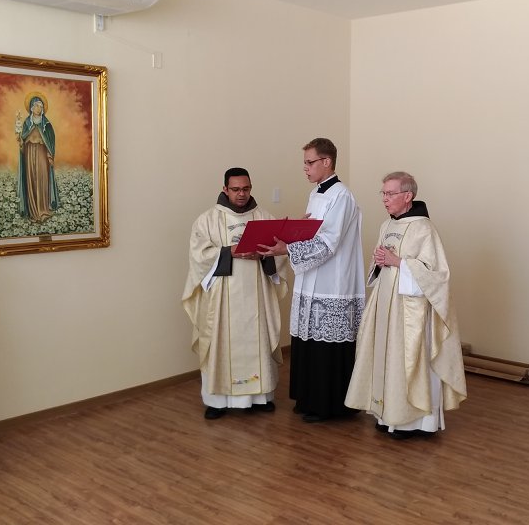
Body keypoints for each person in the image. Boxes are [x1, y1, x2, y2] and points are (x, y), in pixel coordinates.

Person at [345, 172, 467, 440]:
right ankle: (386, 415)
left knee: (409, 360)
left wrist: (398, 262)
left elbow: (437, 275)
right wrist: (380, 262)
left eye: (390, 193)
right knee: (386, 357)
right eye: (383, 193)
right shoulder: (387, 225)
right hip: (386, 305)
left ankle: (414, 422)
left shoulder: (424, 228)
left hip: (412, 311)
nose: (384, 199)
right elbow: (382, 265)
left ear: (408, 196)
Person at [257, 138, 364, 423]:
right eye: (304, 163)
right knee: (308, 341)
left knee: (327, 348)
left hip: (333, 283)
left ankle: (329, 406)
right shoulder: (316, 192)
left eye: (309, 162)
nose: (305, 168)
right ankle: (308, 399)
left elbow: (329, 242)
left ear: (326, 162)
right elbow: (314, 233)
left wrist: (287, 248)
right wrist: (292, 232)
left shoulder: (342, 196)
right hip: (311, 279)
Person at [182, 168, 287, 419]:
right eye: (236, 189)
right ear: (225, 189)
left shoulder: (264, 217)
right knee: (220, 342)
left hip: (256, 295)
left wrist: (264, 255)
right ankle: (217, 401)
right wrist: (230, 251)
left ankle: (260, 397)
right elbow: (199, 257)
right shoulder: (208, 220)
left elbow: (279, 253)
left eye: (246, 189)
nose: (241, 194)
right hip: (221, 299)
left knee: (258, 340)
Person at [15, 92, 59, 221]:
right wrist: (20, 139)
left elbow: (51, 140)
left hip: (42, 155)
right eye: (36, 106)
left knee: (42, 179)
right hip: (29, 155)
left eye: (40, 106)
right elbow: (22, 141)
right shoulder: (26, 123)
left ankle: (43, 209)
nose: (38, 108)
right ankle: (32, 211)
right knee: (31, 180)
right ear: (31, 107)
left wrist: (50, 154)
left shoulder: (47, 124)